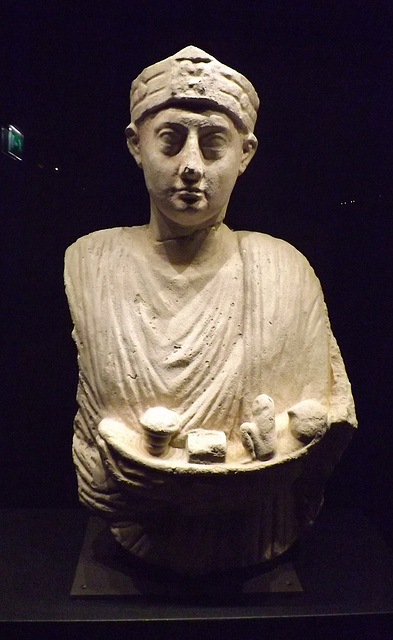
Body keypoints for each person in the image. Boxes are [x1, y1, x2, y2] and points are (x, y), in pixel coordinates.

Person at [65, 47, 356, 573]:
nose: (192, 167)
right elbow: (93, 425)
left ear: (245, 154)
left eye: (214, 144)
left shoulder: (283, 269)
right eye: (170, 141)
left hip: (258, 533)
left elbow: (329, 420)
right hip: (134, 527)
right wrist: (102, 471)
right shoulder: (92, 261)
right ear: (136, 145)